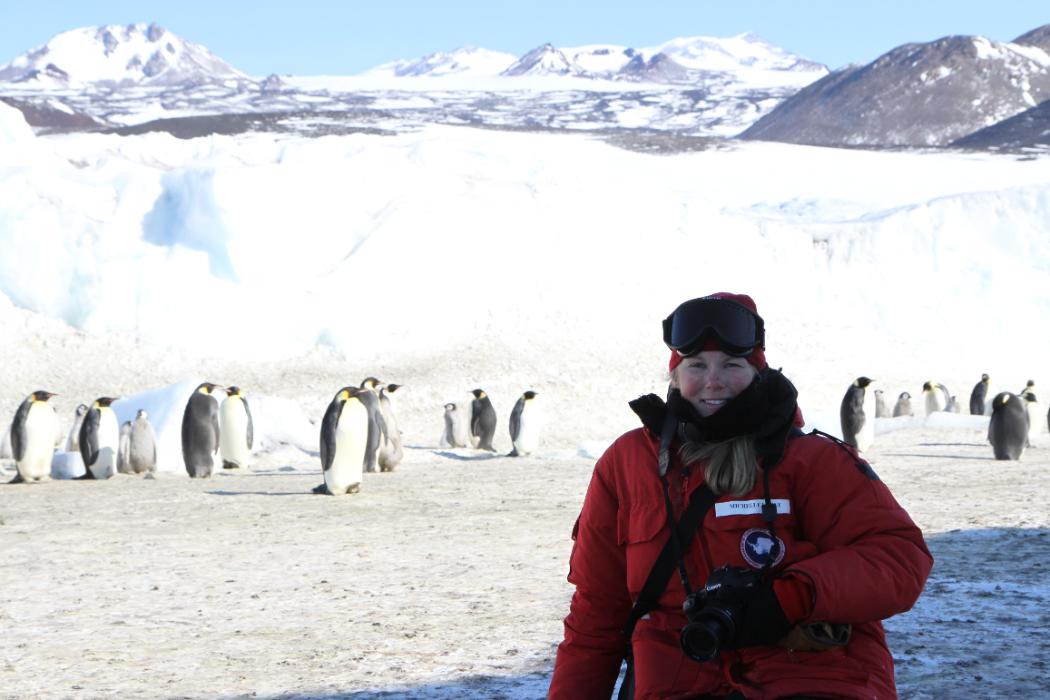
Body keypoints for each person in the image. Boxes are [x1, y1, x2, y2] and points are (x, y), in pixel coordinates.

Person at [548, 292, 933, 700]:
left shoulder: (810, 460)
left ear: (757, 373)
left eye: (732, 365)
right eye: (697, 365)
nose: (713, 381)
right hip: (675, 684)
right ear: (675, 377)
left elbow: (899, 557)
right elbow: (596, 617)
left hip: (805, 678)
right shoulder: (627, 465)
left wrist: (792, 598)